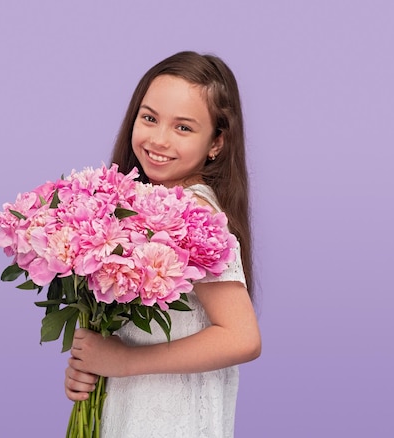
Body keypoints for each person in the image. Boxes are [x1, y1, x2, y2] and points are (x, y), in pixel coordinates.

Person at [64, 51, 261, 438]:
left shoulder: (193, 212)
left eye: (183, 128)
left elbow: (242, 337)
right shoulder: (140, 202)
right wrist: (90, 368)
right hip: (133, 407)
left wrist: (122, 362)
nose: (159, 139)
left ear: (216, 143)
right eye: (150, 118)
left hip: (171, 420)